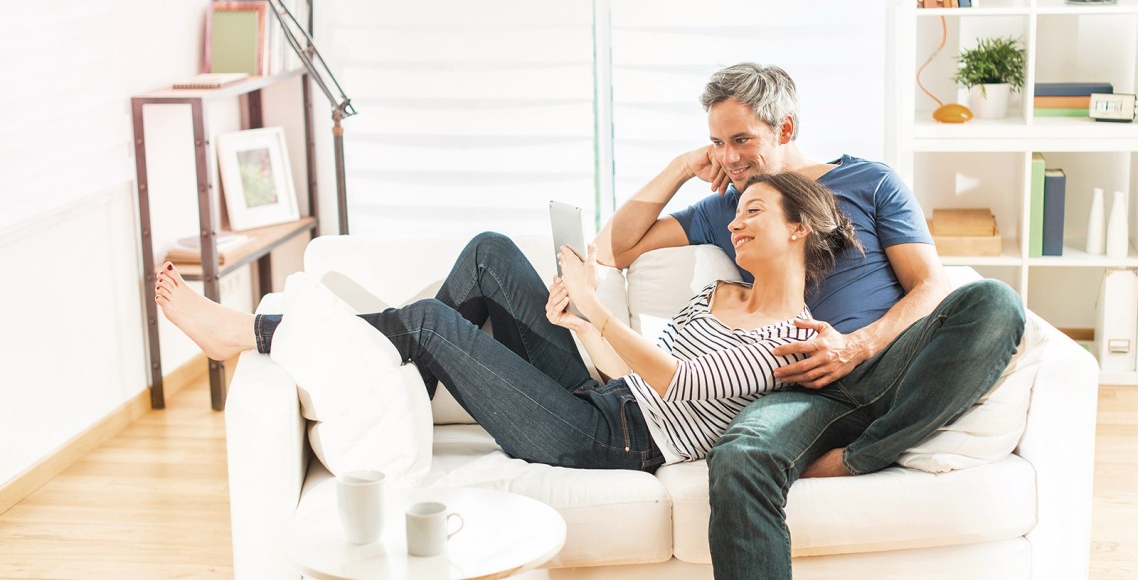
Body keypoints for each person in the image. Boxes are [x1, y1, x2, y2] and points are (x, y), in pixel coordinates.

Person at [592, 62, 1025, 579]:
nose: (728, 158)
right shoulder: (731, 207)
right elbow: (612, 249)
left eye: (742, 140)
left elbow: (930, 285)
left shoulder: (870, 181)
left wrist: (858, 345)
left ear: (786, 129)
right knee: (740, 456)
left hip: (889, 363)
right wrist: (685, 165)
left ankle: (861, 455)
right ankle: (852, 451)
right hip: (800, 390)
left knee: (995, 302)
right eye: (716, 142)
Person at [155, 173, 860, 471]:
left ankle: (251, 334)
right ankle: (369, 355)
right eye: (735, 212)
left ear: (800, 231)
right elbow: (625, 371)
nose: (735, 222)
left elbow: (678, 383)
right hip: (605, 397)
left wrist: (596, 309)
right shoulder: (715, 295)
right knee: (492, 254)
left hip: (612, 443)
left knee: (430, 321)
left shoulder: (791, 340)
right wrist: (578, 325)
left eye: (756, 212)